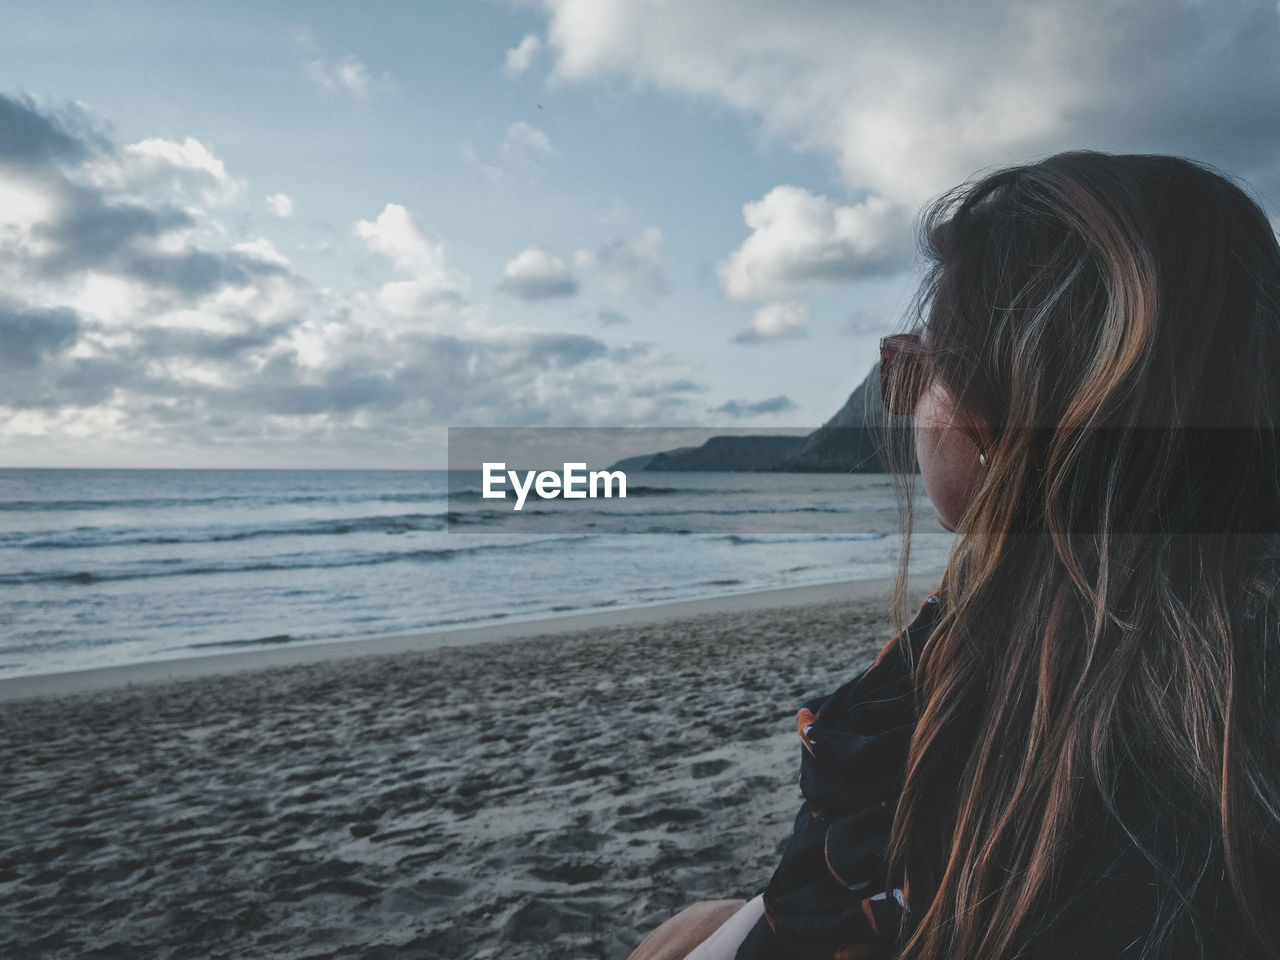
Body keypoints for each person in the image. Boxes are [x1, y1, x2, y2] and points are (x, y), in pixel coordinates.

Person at [628, 151, 1280, 960]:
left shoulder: (1071, 744)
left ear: (1019, 401)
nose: (908, 409)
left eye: (916, 369)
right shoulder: (1197, 664)